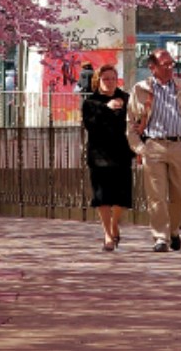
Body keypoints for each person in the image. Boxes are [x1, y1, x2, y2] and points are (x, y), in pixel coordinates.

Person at [126, 49, 181, 252]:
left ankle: (173, 230)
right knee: (156, 196)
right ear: (152, 67)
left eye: (171, 64)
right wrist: (141, 148)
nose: (170, 68)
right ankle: (160, 237)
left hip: (180, 145)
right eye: (164, 65)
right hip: (154, 146)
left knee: (180, 195)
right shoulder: (141, 89)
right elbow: (131, 123)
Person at [80, 64, 134, 251]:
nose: (110, 82)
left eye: (113, 78)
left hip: (122, 152)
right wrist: (106, 108)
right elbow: (90, 125)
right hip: (99, 154)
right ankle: (107, 234)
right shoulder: (91, 103)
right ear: (98, 80)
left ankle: (114, 224)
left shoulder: (126, 99)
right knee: (102, 197)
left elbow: (134, 124)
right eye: (106, 79)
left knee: (121, 197)